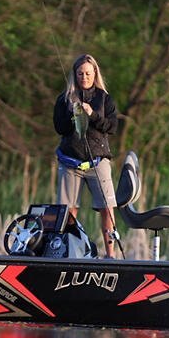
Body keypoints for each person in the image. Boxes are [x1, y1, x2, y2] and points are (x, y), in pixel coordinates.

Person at [53, 53, 119, 258]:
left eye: (88, 73)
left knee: (107, 209)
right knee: (69, 210)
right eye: (80, 73)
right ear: (75, 74)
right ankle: (70, 252)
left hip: (98, 160)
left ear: (95, 73)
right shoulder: (64, 98)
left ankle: (110, 254)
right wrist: (71, 115)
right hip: (70, 161)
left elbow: (112, 127)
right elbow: (60, 129)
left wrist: (92, 114)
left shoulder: (104, 98)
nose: (84, 77)